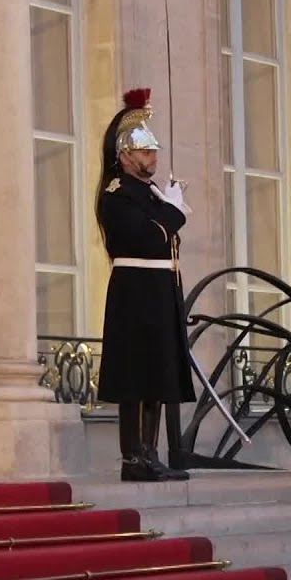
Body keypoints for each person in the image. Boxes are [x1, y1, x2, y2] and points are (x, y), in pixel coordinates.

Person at [95, 88, 193, 483]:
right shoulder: (117, 194)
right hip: (135, 292)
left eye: (154, 151)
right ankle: (133, 458)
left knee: (158, 373)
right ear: (125, 156)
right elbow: (149, 238)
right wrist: (174, 211)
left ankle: (151, 454)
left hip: (158, 290)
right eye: (146, 151)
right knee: (136, 374)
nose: (153, 157)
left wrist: (167, 208)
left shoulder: (150, 195)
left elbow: (163, 237)